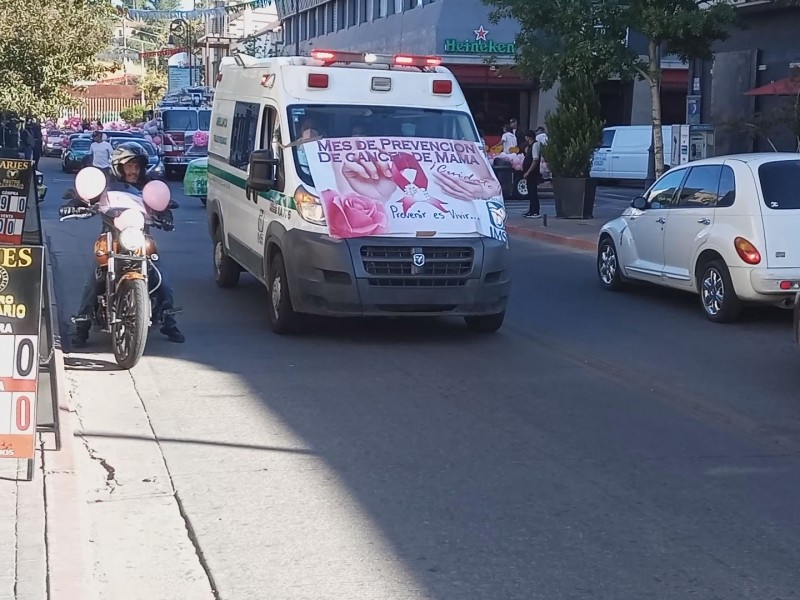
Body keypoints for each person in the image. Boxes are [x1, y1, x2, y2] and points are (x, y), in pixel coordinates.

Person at [60, 142, 185, 346]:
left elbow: (161, 203)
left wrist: (166, 215)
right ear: (119, 167)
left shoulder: (147, 184)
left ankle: (169, 322)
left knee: (163, 279)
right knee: (93, 280)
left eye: (137, 166)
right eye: (129, 166)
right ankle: (82, 326)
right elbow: (85, 196)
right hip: (111, 237)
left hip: (140, 236)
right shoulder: (106, 183)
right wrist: (73, 205)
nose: (134, 170)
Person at [522, 130, 542, 218]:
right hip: (530, 173)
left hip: (532, 173)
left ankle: (535, 211)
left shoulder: (535, 145)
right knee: (530, 192)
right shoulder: (530, 146)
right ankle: (531, 210)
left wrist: (528, 172)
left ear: (528, 137)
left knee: (533, 192)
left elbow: (535, 160)